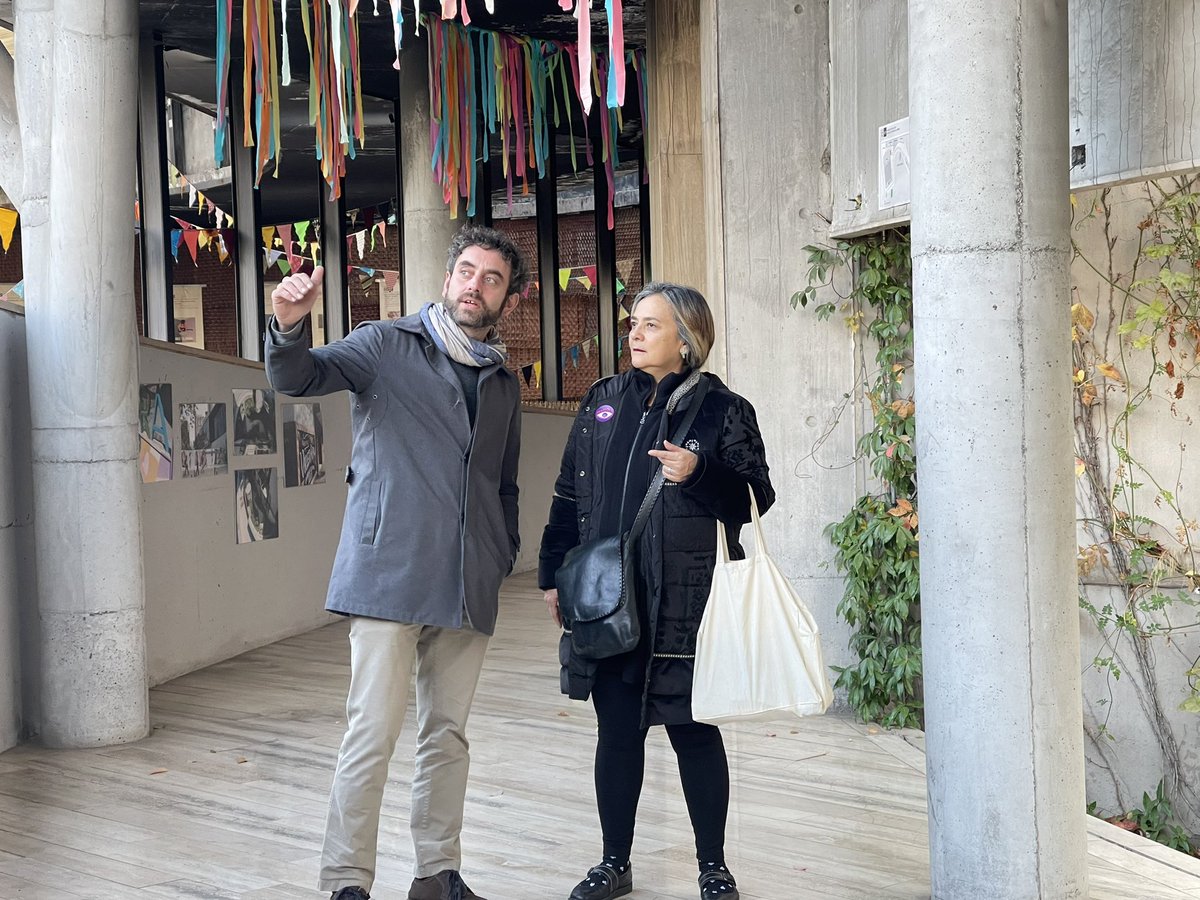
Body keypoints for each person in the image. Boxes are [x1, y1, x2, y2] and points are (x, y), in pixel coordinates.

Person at [265, 225, 529, 900]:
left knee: (448, 737)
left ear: (509, 298)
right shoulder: (385, 345)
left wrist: (503, 552)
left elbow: (504, 483)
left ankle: (437, 873)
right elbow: (299, 376)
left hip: (468, 585)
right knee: (372, 736)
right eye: (467, 271)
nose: (475, 284)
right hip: (388, 576)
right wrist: (287, 323)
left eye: (491, 278)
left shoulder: (503, 382)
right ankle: (347, 881)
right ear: (447, 279)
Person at [539, 282, 775, 900]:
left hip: (685, 603)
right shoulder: (602, 400)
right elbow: (570, 493)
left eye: (650, 326)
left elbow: (754, 499)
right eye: (633, 324)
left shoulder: (724, 409)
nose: (634, 334)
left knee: (694, 730)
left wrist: (701, 474)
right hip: (609, 598)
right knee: (616, 734)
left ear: (686, 339)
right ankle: (614, 862)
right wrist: (552, 574)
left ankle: (713, 866)